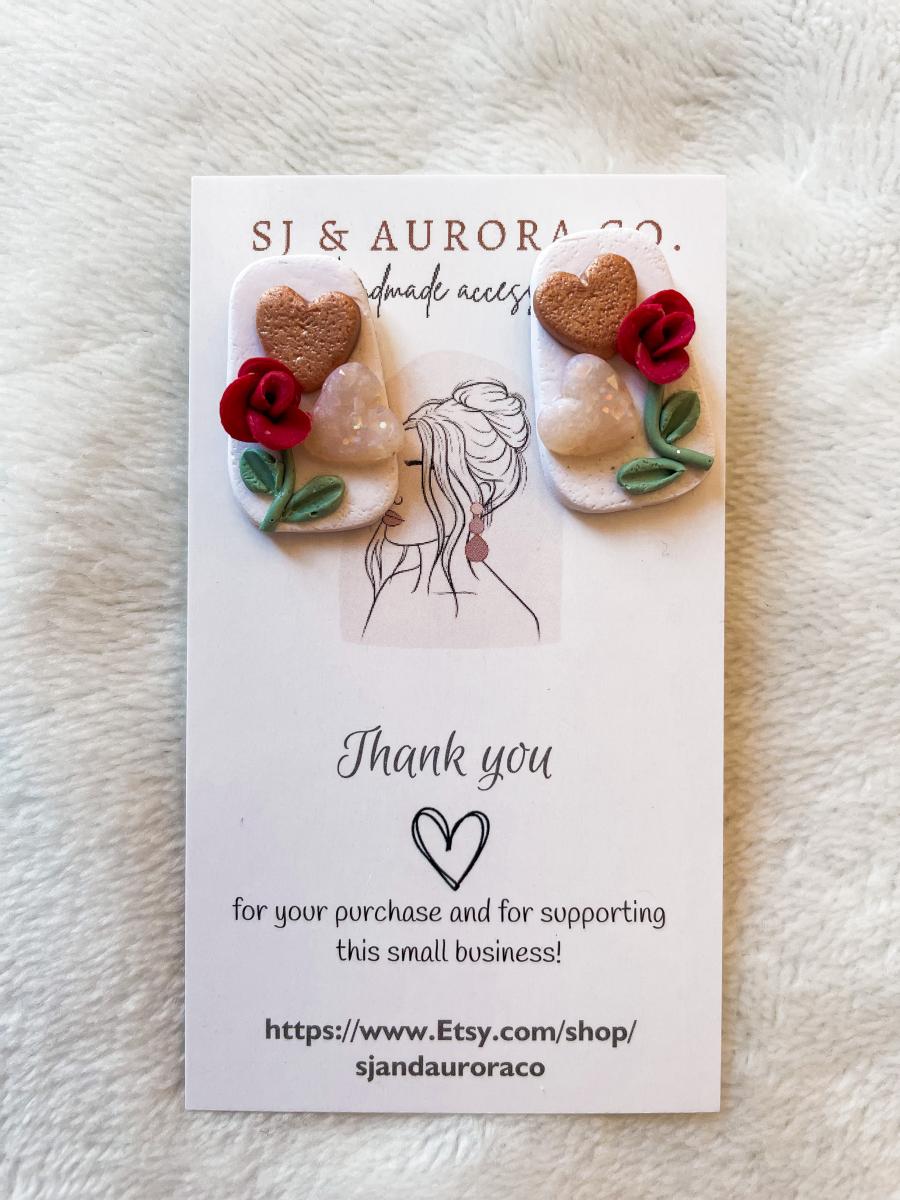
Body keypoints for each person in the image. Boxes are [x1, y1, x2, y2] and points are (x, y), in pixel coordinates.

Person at [362, 379, 540, 641]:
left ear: (481, 493)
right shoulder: (395, 585)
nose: (393, 494)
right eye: (394, 470)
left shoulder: (506, 616)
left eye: (417, 469)